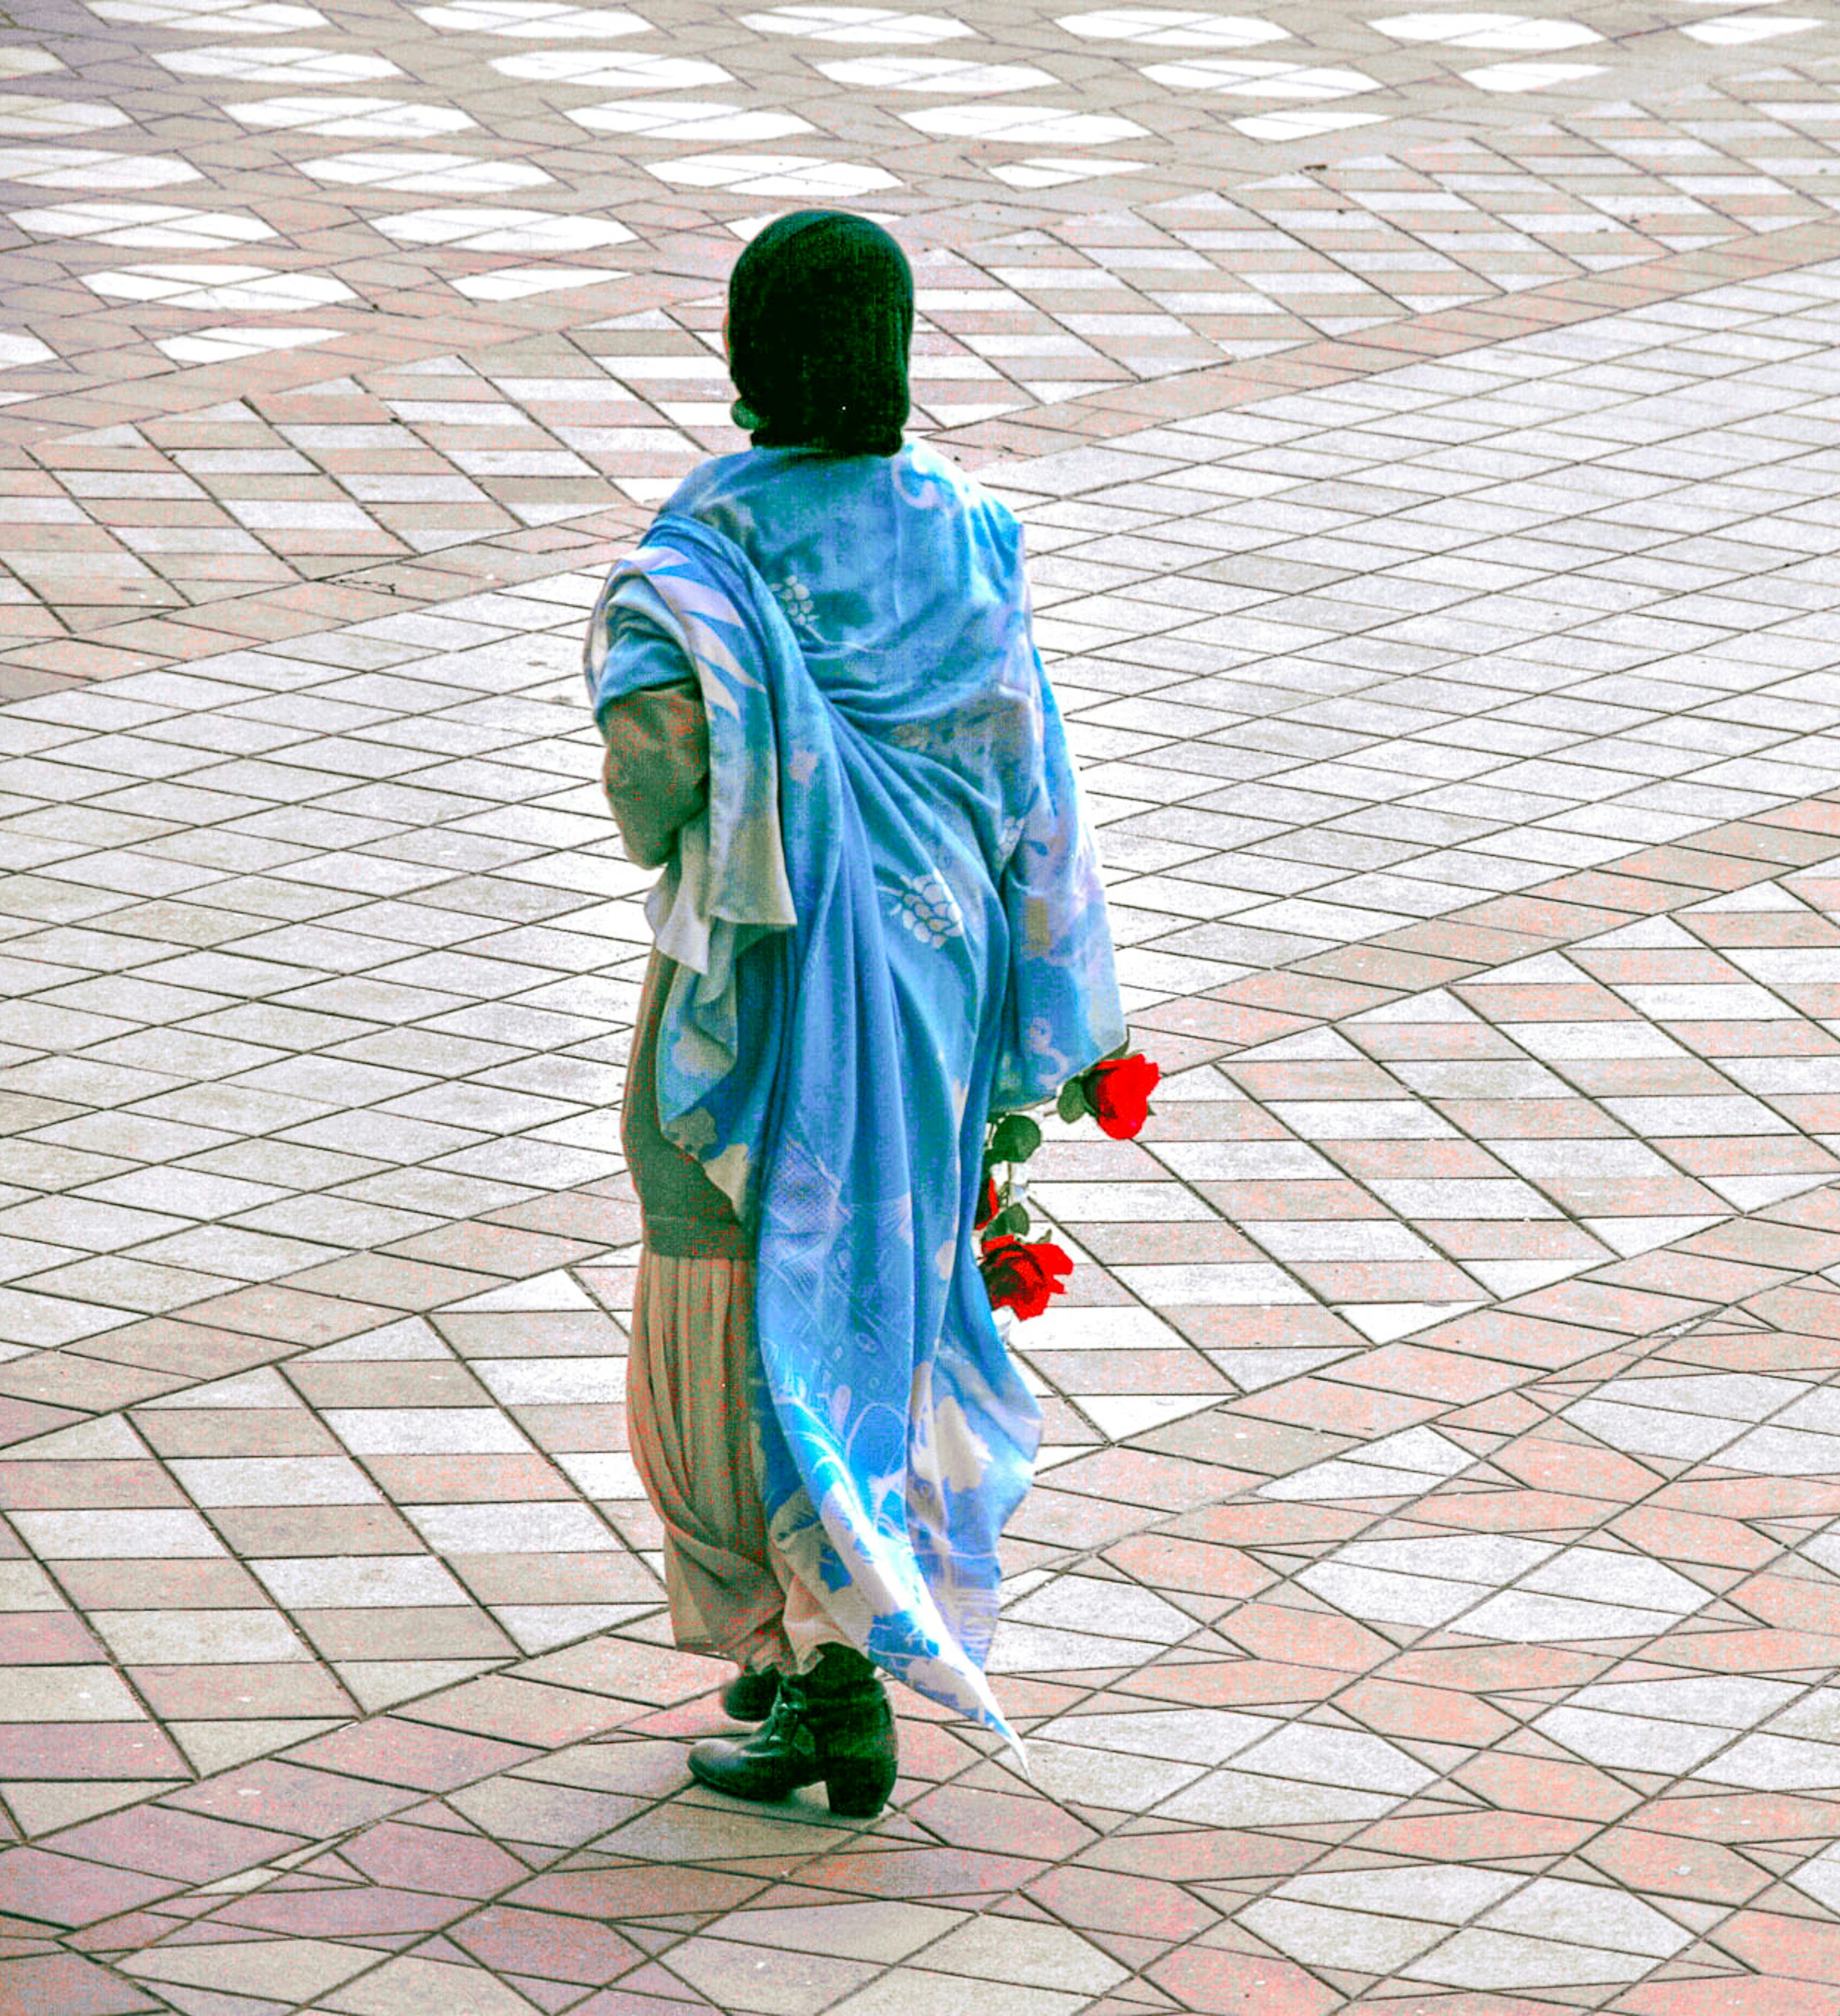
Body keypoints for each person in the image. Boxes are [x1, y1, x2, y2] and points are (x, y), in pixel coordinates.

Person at [589, 211, 1123, 1818]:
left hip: (769, 982)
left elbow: (656, 765)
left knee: (733, 1278)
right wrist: (1058, 1012)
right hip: (937, 972)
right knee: (880, 1281)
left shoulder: (706, 548)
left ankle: (821, 1675)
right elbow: (1031, 778)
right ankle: (820, 1634)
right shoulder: (968, 530)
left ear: (748, 350)